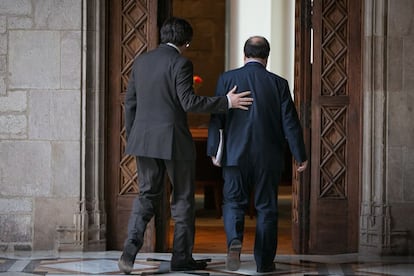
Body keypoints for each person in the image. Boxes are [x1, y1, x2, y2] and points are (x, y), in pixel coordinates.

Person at [118, 17, 253, 274]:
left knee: (147, 195)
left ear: (162, 36)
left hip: (143, 140)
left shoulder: (141, 61)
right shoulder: (181, 63)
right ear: (186, 42)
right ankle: (181, 258)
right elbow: (189, 102)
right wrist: (226, 101)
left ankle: (129, 251)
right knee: (182, 200)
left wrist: (133, 135)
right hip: (173, 142)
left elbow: (131, 102)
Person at [207, 36, 308, 273]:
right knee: (266, 207)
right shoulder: (279, 83)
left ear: (244, 55)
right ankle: (264, 262)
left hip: (234, 154)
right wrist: (299, 155)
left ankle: (234, 242)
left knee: (233, 201)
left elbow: (216, 117)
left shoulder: (227, 78)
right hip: (268, 157)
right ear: (267, 57)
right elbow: (290, 123)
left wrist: (214, 149)